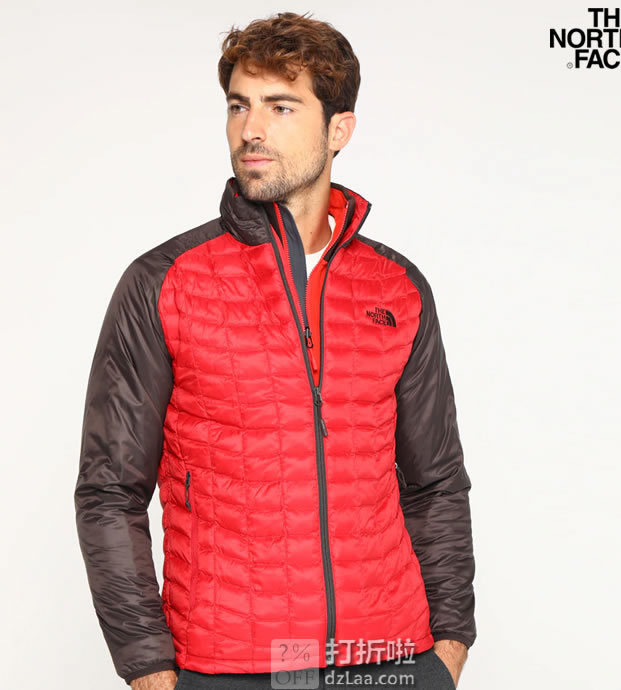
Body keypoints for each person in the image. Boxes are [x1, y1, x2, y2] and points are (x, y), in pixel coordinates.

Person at [74, 11, 476, 690]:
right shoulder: (165, 282)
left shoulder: (398, 288)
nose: (250, 130)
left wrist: (449, 643)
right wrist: (148, 667)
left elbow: (435, 481)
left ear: (338, 129)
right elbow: (109, 490)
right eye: (239, 105)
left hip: (389, 660)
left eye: (281, 107)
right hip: (231, 665)